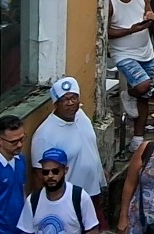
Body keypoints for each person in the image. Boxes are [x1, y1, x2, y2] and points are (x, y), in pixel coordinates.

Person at [30, 77, 105, 216]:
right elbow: (39, 175)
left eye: (74, 98)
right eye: (64, 100)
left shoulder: (81, 116)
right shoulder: (44, 135)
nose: (70, 103)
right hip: (69, 203)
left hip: (93, 194)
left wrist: (100, 176)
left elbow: (90, 148)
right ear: (55, 103)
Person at [107, 0, 154, 147]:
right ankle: (128, 93)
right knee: (142, 85)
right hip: (123, 53)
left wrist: (150, 17)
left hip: (145, 50)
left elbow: (150, 13)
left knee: (145, 96)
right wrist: (130, 30)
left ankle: (138, 137)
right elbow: (105, 32)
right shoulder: (109, 1)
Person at [19, 148, 101, 233]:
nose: (50, 176)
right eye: (46, 172)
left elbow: (92, 230)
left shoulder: (80, 197)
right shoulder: (33, 200)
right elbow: (25, 230)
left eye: (55, 171)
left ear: (65, 170)